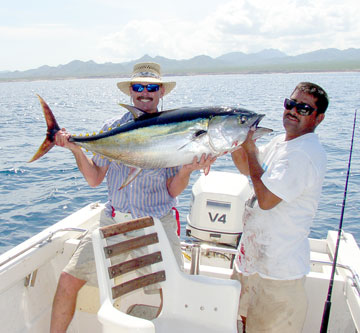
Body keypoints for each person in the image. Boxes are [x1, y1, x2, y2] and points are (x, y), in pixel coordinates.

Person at [50, 62, 216, 332]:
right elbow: (94, 179)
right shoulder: (112, 127)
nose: (145, 93)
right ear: (131, 92)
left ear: (161, 92)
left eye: (152, 87)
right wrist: (75, 149)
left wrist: (186, 169)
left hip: (154, 223)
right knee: (69, 279)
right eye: (139, 87)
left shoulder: (176, 128)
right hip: (112, 221)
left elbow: (173, 190)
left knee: (173, 290)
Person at [231, 82, 329, 333]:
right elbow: (248, 169)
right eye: (291, 103)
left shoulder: (303, 154)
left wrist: (250, 149)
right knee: (241, 323)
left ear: (318, 118)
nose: (293, 111)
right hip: (252, 263)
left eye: (304, 108)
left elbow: (265, 200)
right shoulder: (279, 143)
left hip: (278, 275)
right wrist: (236, 143)